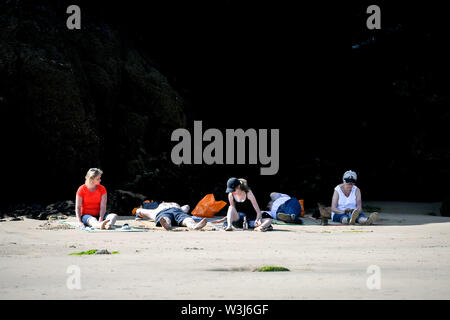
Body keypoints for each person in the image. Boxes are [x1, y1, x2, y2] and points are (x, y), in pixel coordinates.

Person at [135, 201, 208, 230]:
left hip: (178, 211)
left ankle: (194, 226)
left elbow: (187, 206)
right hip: (163, 212)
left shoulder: (180, 208)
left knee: (187, 219)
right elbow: (139, 211)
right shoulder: (155, 210)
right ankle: (167, 225)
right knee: (165, 218)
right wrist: (138, 215)